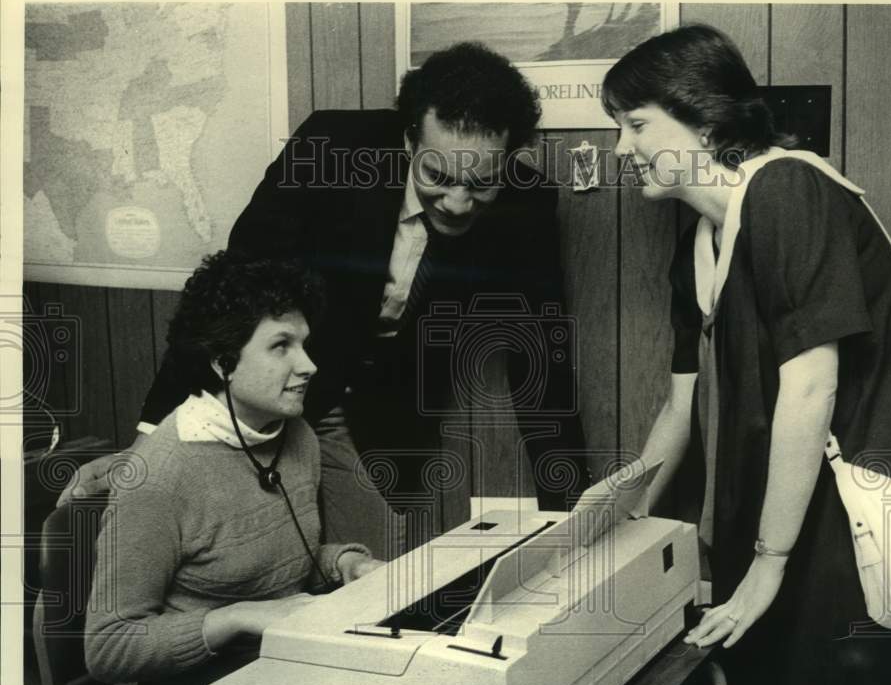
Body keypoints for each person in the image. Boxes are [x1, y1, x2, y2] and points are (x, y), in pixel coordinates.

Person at [60, 42, 591, 559]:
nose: (456, 203)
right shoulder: (330, 149)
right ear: (410, 141)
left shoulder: (527, 206)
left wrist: (573, 515)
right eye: (437, 176)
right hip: (272, 386)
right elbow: (231, 291)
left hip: (382, 415)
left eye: (481, 184)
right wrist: (150, 436)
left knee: (381, 582)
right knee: (227, 551)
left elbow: (539, 360)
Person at [603, 24, 891, 685]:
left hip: (847, 527)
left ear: (704, 119)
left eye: (636, 125)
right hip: (778, 518)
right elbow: (681, 407)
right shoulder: (697, 248)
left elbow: (810, 387)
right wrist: (618, 507)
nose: (622, 149)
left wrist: (768, 563)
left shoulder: (786, 187)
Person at [84, 251, 379, 685]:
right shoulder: (159, 476)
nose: (308, 365)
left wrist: (345, 565)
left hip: (287, 677)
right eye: (281, 346)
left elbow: (277, 569)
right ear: (223, 363)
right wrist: (237, 619)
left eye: (304, 344)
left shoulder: (297, 436)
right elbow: (110, 646)